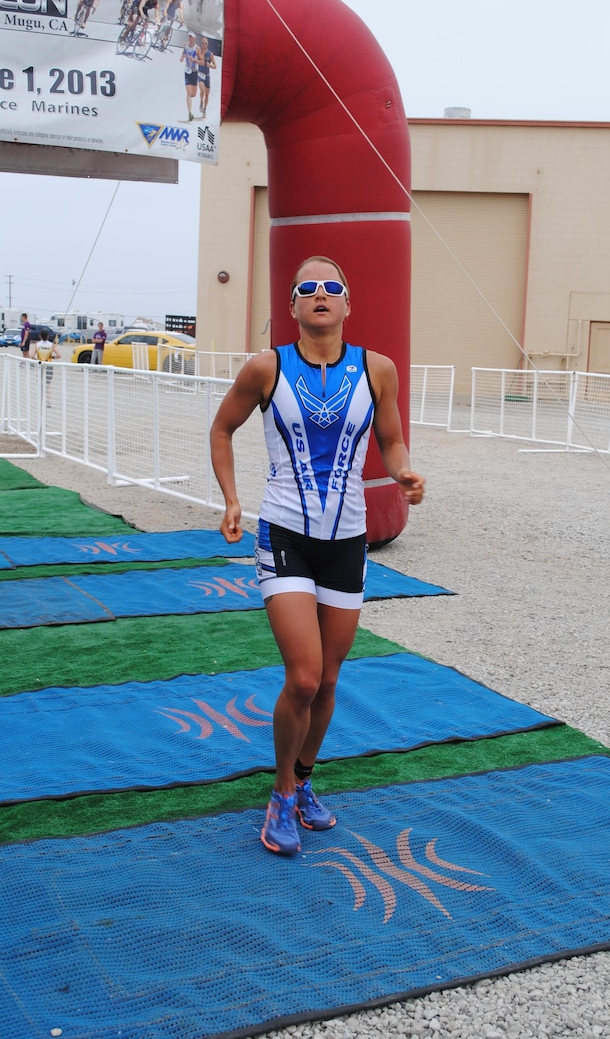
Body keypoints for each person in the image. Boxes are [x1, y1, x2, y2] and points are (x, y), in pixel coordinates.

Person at [210, 256, 425, 856]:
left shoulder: (377, 369)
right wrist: (231, 500)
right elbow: (221, 429)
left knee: (329, 679)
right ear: (294, 305)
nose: (322, 295)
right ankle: (279, 794)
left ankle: (304, 781)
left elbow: (390, 437)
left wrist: (403, 468)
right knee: (303, 677)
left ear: (348, 305)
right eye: (310, 288)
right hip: (284, 533)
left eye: (334, 288)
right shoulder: (265, 367)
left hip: (347, 540)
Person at [30, 329, 61, 404]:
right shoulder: (51, 345)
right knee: (48, 384)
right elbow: (59, 355)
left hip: (40, 365)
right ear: (47, 336)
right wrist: (52, 357)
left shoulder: (37, 345)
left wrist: (38, 360)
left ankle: (41, 400)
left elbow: (32, 356)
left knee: (40, 383)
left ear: (40, 336)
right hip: (49, 365)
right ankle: (48, 401)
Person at [180, 33, 200, 120]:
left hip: (194, 72)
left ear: (194, 38)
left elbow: (201, 61)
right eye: (189, 37)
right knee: (188, 93)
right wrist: (181, 57)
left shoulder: (197, 48)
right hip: (187, 72)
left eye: (192, 37)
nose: (190, 38)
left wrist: (195, 60)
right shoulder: (186, 46)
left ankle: (191, 96)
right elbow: (183, 54)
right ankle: (190, 114)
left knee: (194, 94)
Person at [197, 36, 216, 118]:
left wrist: (210, 66)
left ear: (207, 44)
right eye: (202, 43)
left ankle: (204, 110)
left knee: (207, 94)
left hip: (207, 76)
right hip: (200, 74)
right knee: (202, 91)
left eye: (205, 43)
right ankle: (201, 101)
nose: (204, 44)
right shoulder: (198, 52)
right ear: (201, 43)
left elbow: (215, 66)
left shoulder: (210, 54)